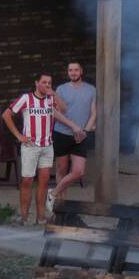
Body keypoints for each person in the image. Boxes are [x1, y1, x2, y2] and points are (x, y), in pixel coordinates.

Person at [2, 72, 82, 225]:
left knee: (44, 182)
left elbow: (64, 109)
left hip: (47, 146)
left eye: (49, 83)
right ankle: (24, 217)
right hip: (30, 146)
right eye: (44, 82)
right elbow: (6, 115)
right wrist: (18, 136)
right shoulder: (26, 98)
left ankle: (41, 217)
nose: (47, 85)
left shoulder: (51, 99)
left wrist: (54, 94)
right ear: (36, 83)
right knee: (27, 181)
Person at [48, 61, 96, 214]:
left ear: (81, 71)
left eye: (76, 70)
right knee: (62, 169)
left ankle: (53, 194)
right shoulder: (61, 89)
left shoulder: (91, 89)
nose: (73, 73)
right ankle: (61, 206)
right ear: (68, 72)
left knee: (78, 171)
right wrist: (74, 127)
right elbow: (56, 112)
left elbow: (94, 112)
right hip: (62, 133)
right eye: (70, 70)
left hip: (81, 136)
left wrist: (85, 131)